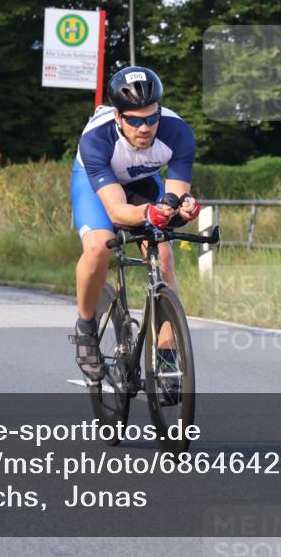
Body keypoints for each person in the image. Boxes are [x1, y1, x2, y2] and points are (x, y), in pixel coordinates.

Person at [69, 66, 201, 395]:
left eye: (151, 118)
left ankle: (168, 358)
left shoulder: (178, 132)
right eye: (135, 120)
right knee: (99, 247)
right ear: (118, 117)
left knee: (165, 256)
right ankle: (86, 327)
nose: (145, 128)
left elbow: (175, 194)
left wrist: (181, 208)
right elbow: (117, 211)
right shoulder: (96, 139)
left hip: (141, 181)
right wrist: (151, 212)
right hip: (98, 186)